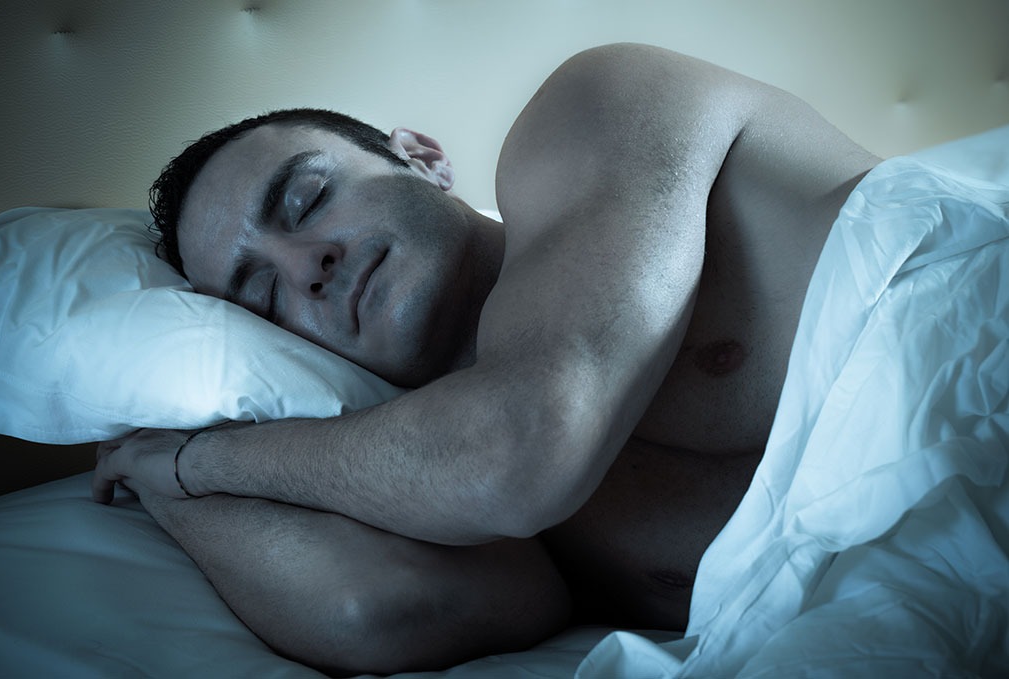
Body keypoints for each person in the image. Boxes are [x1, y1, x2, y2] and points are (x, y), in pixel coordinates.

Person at [92, 43, 879, 675]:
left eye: (307, 200)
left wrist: (205, 462)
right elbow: (376, 610)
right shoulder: (422, 472)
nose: (307, 267)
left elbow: (511, 452)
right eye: (264, 296)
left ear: (421, 157)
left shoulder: (593, 109)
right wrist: (162, 476)